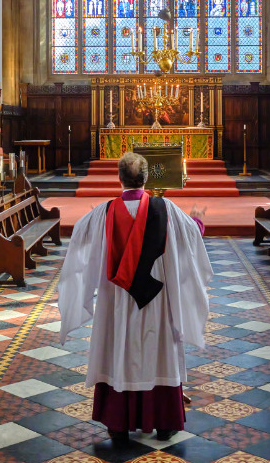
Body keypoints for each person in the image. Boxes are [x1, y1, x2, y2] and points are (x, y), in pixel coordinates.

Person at [58, 152, 213, 442]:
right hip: (156, 299)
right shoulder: (165, 209)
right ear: (146, 179)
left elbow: (79, 236)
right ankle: (165, 423)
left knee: (118, 349)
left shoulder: (103, 213)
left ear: (120, 178)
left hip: (117, 301)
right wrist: (198, 224)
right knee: (159, 352)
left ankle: (118, 425)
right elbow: (192, 233)